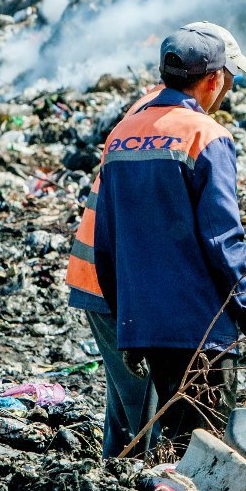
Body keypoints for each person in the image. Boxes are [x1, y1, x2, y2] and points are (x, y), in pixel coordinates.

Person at [70, 22, 246, 453]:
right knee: (202, 450)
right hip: (200, 330)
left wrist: (129, 326)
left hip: (141, 319)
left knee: (147, 433)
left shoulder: (121, 136)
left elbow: (107, 245)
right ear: (214, 79)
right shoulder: (206, 135)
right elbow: (223, 240)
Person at [67, 83, 162, 458]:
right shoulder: (166, 122)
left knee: (127, 401)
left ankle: (114, 473)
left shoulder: (148, 110)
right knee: (141, 406)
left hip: (105, 273)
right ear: (212, 77)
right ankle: (129, 487)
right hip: (113, 279)